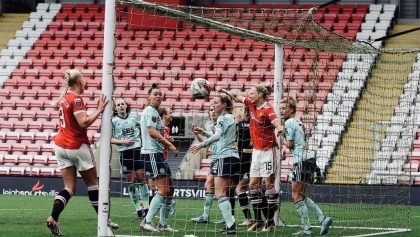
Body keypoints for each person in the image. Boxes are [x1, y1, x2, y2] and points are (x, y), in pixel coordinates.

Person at [46, 69, 116, 236]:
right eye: (84, 80)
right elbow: (83, 122)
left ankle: (53, 217)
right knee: (92, 184)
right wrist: (99, 110)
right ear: (78, 81)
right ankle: (104, 222)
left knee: (69, 187)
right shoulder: (76, 99)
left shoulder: (64, 98)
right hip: (76, 146)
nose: (85, 82)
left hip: (61, 146)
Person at [219, 84, 283, 232]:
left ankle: (271, 221)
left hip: (268, 150)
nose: (249, 96)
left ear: (260, 95)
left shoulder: (267, 109)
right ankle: (258, 220)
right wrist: (225, 91)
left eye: (252, 93)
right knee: (253, 185)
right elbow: (237, 97)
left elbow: (276, 121)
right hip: (256, 151)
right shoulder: (251, 104)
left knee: (268, 185)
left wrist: (279, 128)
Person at [280, 97, 332, 236]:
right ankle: (321, 220)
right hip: (309, 159)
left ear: (291, 109)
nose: (281, 111)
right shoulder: (298, 121)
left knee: (295, 194)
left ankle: (308, 228)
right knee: (301, 195)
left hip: (301, 160)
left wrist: (281, 139)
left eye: (283, 108)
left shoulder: (290, 122)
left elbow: (290, 144)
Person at [190, 94, 240, 234]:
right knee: (225, 192)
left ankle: (231, 225)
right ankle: (230, 224)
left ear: (224, 104)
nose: (214, 105)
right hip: (233, 156)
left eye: (216, 102)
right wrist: (203, 132)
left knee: (220, 193)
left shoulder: (222, 118)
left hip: (224, 157)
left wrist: (201, 144)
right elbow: (221, 136)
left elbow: (217, 136)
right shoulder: (231, 118)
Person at [139, 83, 178, 232]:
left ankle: (163, 224)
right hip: (151, 154)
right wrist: (170, 145)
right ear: (148, 96)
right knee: (162, 189)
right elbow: (151, 131)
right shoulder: (150, 111)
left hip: (157, 154)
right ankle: (146, 221)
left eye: (160, 94)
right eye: (155, 94)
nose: (158, 96)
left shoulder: (154, 112)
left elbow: (157, 133)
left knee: (170, 189)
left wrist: (167, 142)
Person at [111, 98, 149, 219]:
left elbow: (145, 130)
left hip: (137, 151)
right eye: (118, 105)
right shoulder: (113, 121)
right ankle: (138, 208)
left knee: (142, 179)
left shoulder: (134, 118)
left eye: (122, 104)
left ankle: (147, 207)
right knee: (131, 182)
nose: (121, 106)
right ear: (115, 108)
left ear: (126, 105)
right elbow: (110, 138)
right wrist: (123, 141)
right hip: (124, 153)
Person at [190, 105, 219, 223]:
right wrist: (198, 134)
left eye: (215, 109)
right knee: (210, 185)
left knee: (212, 184)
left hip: (222, 157)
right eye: (211, 109)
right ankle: (206, 215)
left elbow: (217, 137)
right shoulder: (208, 125)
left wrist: (204, 131)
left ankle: (208, 215)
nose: (213, 111)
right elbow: (206, 143)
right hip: (215, 158)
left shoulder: (223, 123)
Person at [235, 106, 254, 227]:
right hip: (253, 157)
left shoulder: (239, 124)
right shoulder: (255, 123)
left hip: (243, 159)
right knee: (254, 189)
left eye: (243, 109)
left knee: (240, 189)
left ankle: (249, 218)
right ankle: (264, 218)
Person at [158, 107, 176, 216]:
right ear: (164, 115)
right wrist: (168, 142)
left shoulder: (166, 128)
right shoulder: (158, 127)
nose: (172, 114)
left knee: (170, 188)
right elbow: (157, 141)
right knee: (161, 189)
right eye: (170, 113)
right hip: (157, 159)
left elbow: (162, 142)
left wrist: (168, 140)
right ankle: (148, 213)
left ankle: (168, 208)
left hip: (164, 160)